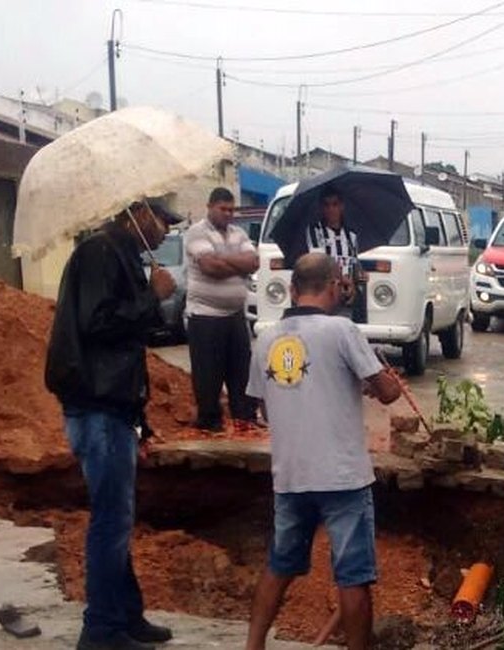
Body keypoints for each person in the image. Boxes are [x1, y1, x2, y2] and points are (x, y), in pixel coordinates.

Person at [244, 253, 401, 650]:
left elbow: (263, 406)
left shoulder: (265, 338)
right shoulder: (343, 331)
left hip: (291, 474)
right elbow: (386, 393)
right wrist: (384, 379)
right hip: (342, 476)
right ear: (334, 286)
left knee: (280, 566)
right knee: (352, 576)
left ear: (293, 290)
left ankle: (253, 645)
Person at [45, 200, 180, 650]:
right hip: (96, 408)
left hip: (113, 408)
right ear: (137, 215)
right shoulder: (101, 253)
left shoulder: (118, 255)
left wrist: (139, 418)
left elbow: (124, 342)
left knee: (116, 516)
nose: (165, 231)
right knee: (110, 520)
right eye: (162, 220)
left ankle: (125, 615)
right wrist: (152, 297)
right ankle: (101, 630)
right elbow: (98, 323)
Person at [184, 187, 260, 433]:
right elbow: (210, 267)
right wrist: (239, 264)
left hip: (235, 316)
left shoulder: (238, 233)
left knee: (241, 371)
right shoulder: (196, 232)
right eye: (223, 209)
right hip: (205, 315)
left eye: (231, 209)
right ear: (210, 207)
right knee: (208, 374)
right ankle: (210, 423)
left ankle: (244, 419)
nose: (228, 214)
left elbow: (254, 262)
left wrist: (224, 259)